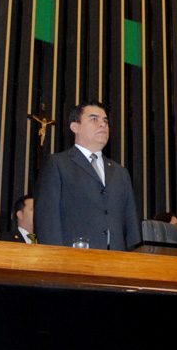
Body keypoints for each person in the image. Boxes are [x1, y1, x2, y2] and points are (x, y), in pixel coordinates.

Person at [33, 101, 141, 250]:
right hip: (74, 257)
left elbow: (131, 224)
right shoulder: (57, 164)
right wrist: (55, 258)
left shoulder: (121, 173)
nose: (102, 124)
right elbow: (47, 220)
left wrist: (135, 258)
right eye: (94, 119)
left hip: (117, 259)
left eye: (105, 121)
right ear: (75, 127)